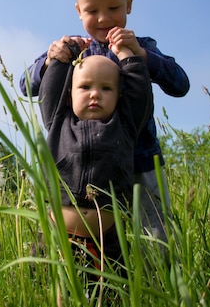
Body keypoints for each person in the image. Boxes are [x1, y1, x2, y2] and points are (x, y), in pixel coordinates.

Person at [21, 0, 190, 243]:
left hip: (140, 159)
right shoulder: (72, 49)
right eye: (92, 10)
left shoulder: (141, 45)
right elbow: (26, 85)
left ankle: (161, 282)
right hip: (86, 166)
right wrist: (49, 60)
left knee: (154, 234)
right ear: (78, 10)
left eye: (113, 8)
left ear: (129, 4)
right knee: (101, 237)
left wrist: (142, 56)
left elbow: (180, 84)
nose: (103, 18)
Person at [39, 39, 152, 273]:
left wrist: (127, 57)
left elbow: (140, 95)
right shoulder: (58, 122)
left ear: (119, 96)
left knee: (110, 296)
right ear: (69, 95)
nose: (95, 95)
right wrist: (61, 58)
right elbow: (49, 91)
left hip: (107, 242)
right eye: (85, 87)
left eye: (106, 88)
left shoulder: (124, 125)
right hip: (57, 235)